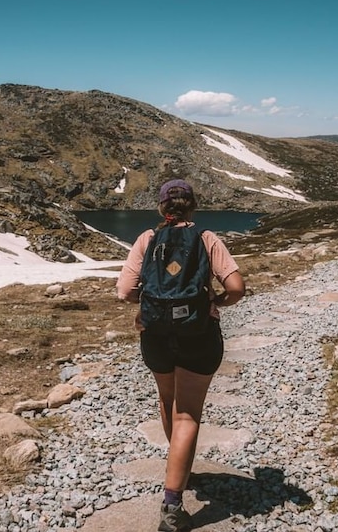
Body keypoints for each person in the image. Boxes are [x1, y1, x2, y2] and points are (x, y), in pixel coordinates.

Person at [116, 179, 246, 532]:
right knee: (188, 413)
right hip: (197, 335)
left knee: (167, 398)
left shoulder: (146, 238)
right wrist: (215, 303)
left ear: (162, 208)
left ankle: (179, 470)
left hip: (155, 334)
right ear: (192, 207)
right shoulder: (206, 238)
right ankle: (172, 502)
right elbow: (236, 287)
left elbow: (125, 289)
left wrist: (144, 305)